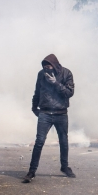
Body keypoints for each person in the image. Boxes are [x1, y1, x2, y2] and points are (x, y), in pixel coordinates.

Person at [23, 54, 75, 183]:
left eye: (49, 66)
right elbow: (37, 91)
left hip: (61, 113)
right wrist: (34, 108)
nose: (47, 68)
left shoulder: (66, 73)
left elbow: (69, 93)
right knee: (39, 141)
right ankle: (31, 171)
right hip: (45, 113)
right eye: (45, 66)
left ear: (55, 65)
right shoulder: (41, 74)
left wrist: (56, 83)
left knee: (63, 141)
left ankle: (64, 167)